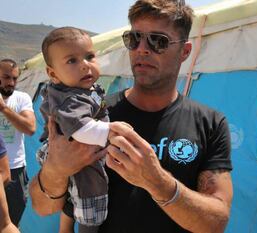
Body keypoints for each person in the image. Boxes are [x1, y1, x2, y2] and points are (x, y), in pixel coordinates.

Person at [29, 1, 234, 233]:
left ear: (185, 51)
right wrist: (55, 171)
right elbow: (44, 208)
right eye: (134, 39)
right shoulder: (95, 117)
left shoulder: (210, 123)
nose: (142, 49)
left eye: (158, 41)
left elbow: (216, 223)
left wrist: (156, 181)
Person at [37, 27, 129, 231]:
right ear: (53, 73)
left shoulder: (82, 89)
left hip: (77, 149)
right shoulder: (69, 99)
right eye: (72, 61)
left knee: (75, 190)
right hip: (72, 149)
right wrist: (110, 132)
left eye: (89, 56)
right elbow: (80, 129)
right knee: (91, 192)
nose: (85, 65)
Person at [0, 59, 36, 226]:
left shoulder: (22, 98)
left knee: (13, 222)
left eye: (15, 79)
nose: (11, 83)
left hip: (15, 172)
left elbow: (30, 128)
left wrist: (4, 109)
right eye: (6, 77)